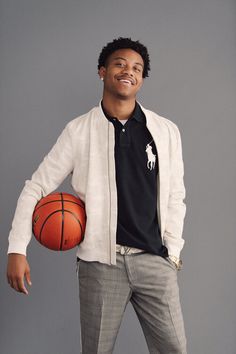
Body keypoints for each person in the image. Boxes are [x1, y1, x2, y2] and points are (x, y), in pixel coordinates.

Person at [6, 37, 187, 354]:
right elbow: (36, 186)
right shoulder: (78, 131)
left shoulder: (166, 131)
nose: (128, 71)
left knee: (175, 349)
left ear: (141, 79)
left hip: (154, 260)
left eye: (137, 68)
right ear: (102, 71)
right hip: (101, 265)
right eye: (119, 64)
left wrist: (171, 251)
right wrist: (16, 248)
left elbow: (176, 195)